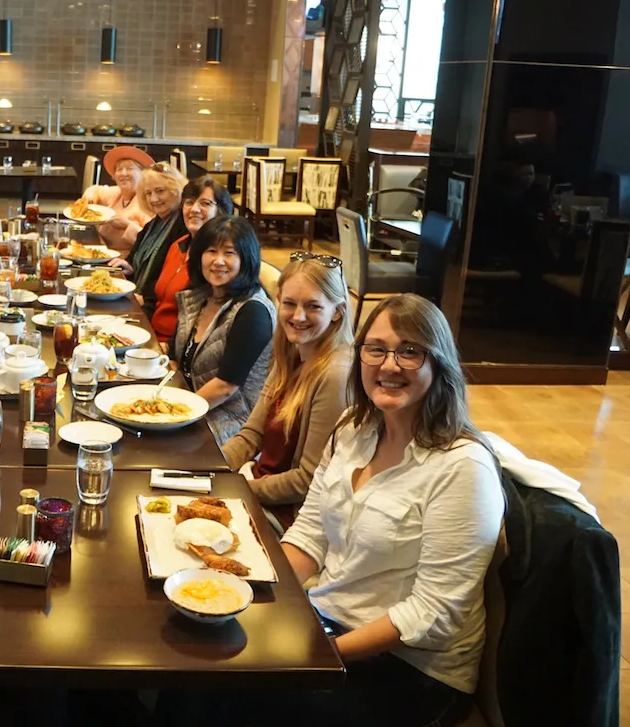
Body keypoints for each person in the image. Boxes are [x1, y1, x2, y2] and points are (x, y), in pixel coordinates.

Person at [273, 293, 504, 726]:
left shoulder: (462, 468)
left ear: (440, 365)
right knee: (216, 672)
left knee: (251, 700)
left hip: (414, 669)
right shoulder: (353, 430)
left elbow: (431, 614)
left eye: (410, 351)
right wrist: (260, 598)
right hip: (330, 624)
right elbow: (309, 537)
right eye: (375, 349)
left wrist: (322, 654)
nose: (389, 365)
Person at [221, 253, 353, 530]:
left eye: (313, 306)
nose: (298, 316)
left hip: (291, 516)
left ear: (338, 311)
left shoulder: (335, 375)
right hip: (257, 489)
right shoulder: (292, 351)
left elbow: (307, 480)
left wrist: (237, 487)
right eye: (290, 304)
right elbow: (251, 434)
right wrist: (213, 469)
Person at [171, 216, 275, 445]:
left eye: (229, 253)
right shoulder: (200, 296)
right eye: (211, 251)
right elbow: (175, 358)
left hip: (230, 425)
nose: (218, 261)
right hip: (194, 409)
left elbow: (225, 386)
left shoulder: (253, 311)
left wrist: (173, 416)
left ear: (246, 259)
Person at [150, 176, 234, 348]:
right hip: (151, 334)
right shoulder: (178, 246)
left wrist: (168, 349)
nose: (194, 209)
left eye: (205, 203)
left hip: (174, 348)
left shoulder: (215, 263)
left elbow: (201, 323)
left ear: (221, 211)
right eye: (189, 202)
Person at [109, 162, 188, 301]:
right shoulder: (154, 223)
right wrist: (128, 265)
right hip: (137, 296)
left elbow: (170, 277)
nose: (153, 199)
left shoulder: (183, 226)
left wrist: (146, 298)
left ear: (175, 190)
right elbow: (135, 256)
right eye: (148, 193)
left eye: (160, 191)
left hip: (155, 304)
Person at [79, 145, 154, 255]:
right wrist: (88, 198)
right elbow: (94, 190)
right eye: (119, 169)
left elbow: (150, 243)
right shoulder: (118, 193)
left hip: (127, 262)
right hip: (102, 253)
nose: (123, 173)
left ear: (143, 174)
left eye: (129, 169)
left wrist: (127, 225)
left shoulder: (148, 201)